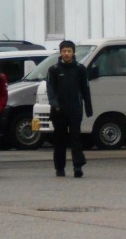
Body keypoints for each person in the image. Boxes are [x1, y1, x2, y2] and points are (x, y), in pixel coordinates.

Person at [46, 39, 93, 178]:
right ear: (60, 53)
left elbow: (85, 89)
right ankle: (59, 168)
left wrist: (88, 108)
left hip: (75, 109)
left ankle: (77, 166)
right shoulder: (54, 70)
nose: (66, 53)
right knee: (59, 140)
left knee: (75, 138)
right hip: (58, 111)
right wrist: (54, 104)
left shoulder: (80, 69)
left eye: (69, 51)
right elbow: (50, 89)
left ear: (73, 53)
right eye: (64, 51)